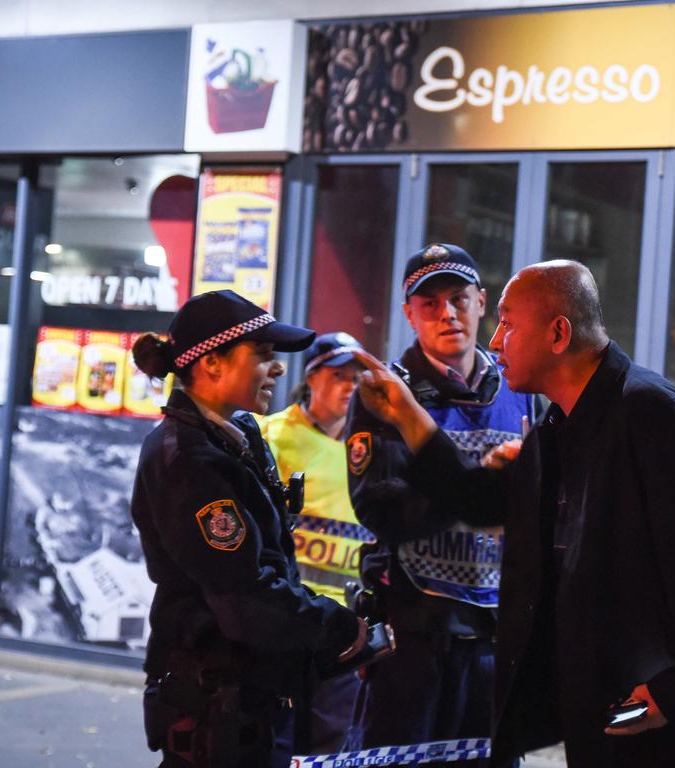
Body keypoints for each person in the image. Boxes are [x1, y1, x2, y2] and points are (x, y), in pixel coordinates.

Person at [351, 261, 675, 768]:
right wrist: (408, 414)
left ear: (558, 333)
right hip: (607, 710)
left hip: (664, 718)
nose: (496, 342)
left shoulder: (652, 413)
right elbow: (480, 501)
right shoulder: (560, 427)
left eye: (508, 323)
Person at [130, 290, 367, 768]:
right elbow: (244, 597)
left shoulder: (235, 433)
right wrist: (340, 628)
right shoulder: (189, 460)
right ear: (213, 362)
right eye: (262, 354)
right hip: (215, 709)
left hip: (250, 698)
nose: (278, 368)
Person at [345, 243, 535, 764]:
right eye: (429, 304)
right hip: (417, 635)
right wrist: (479, 492)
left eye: (457, 298)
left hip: (496, 636)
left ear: (482, 303)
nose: (446, 313)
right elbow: (378, 508)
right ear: (409, 314)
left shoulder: (521, 385)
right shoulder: (386, 392)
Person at [260, 332, 373, 755]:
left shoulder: (370, 447)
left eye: (357, 376)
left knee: (332, 746)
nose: (350, 385)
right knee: (276, 740)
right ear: (311, 378)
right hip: (287, 617)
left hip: (344, 627)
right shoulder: (270, 435)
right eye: (338, 375)